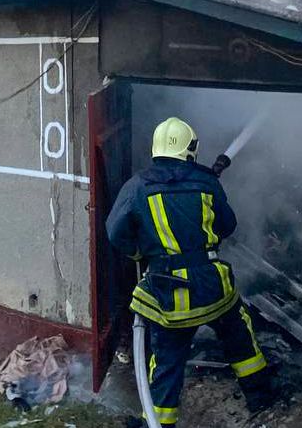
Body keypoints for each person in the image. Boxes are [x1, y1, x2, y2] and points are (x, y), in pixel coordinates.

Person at [106, 117, 274, 426]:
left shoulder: (138, 186)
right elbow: (228, 225)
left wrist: (141, 251)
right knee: (239, 335)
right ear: (191, 149)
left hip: (171, 296)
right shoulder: (206, 182)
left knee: (167, 362)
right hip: (213, 289)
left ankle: (157, 423)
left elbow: (115, 233)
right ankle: (261, 396)